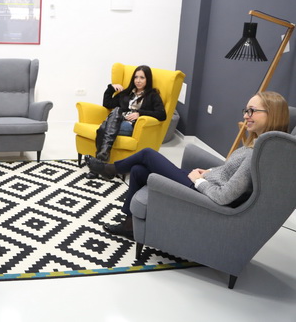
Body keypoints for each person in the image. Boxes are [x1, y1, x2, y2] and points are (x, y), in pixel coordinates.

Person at [86, 91, 289, 240]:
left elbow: (225, 196)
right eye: (246, 110)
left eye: (252, 111)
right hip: (204, 182)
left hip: (201, 193)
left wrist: (199, 181)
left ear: (272, 114)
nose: (245, 116)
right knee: (138, 170)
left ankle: (111, 169)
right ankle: (129, 226)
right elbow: (231, 172)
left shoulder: (256, 154)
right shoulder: (257, 145)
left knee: (147, 154)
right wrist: (209, 171)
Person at [86, 65, 166, 179]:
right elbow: (107, 103)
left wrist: (140, 113)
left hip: (130, 125)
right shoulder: (126, 93)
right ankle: (101, 164)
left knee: (104, 127)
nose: (138, 81)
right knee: (110, 118)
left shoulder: (152, 95)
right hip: (117, 121)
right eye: (136, 77)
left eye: (142, 78)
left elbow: (162, 115)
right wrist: (111, 88)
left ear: (147, 79)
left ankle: (97, 166)